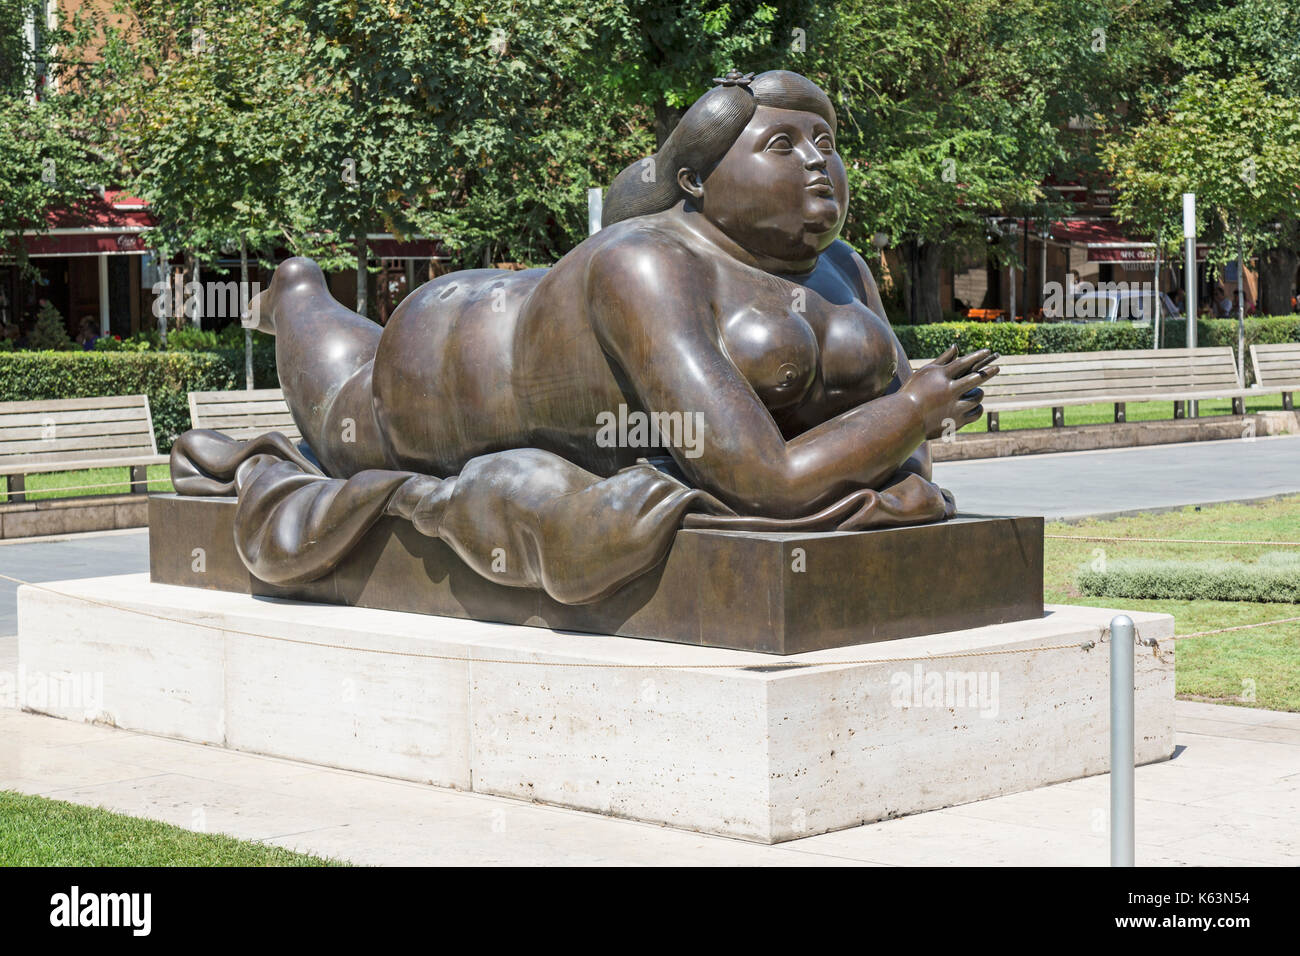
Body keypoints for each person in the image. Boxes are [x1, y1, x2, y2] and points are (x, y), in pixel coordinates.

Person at [180, 70, 998, 601]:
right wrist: (912, 415)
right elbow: (765, 478)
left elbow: (894, 437)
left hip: (508, 325)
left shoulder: (844, 266)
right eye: (782, 145)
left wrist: (906, 435)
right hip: (442, 363)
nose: (818, 163)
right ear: (696, 182)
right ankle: (295, 291)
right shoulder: (645, 264)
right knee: (343, 409)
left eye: (826, 143)